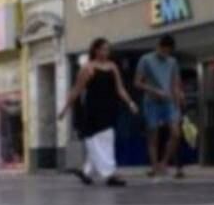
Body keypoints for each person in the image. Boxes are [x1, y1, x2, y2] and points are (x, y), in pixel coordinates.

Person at [59, 38, 139, 187]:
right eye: (102, 49)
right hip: (93, 110)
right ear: (95, 50)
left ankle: (86, 172)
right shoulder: (87, 68)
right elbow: (76, 90)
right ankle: (110, 174)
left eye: (107, 49)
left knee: (104, 140)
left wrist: (130, 103)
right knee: (100, 141)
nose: (105, 52)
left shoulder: (112, 67)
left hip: (109, 108)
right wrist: (65, 109)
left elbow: (120, 88)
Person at [135, 35, 186, 179]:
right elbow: (137, 83)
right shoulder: (145, 59)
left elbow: (175, 83)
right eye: (163, 50)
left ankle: (164, 162)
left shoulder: (172, 62)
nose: (165, 53)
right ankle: (154, 166)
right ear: (158, 46)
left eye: (168, 51)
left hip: (169, 102)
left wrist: (179, 98)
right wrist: (154, 90)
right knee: (153, 136)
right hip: (152, 102)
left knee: (176, 133)